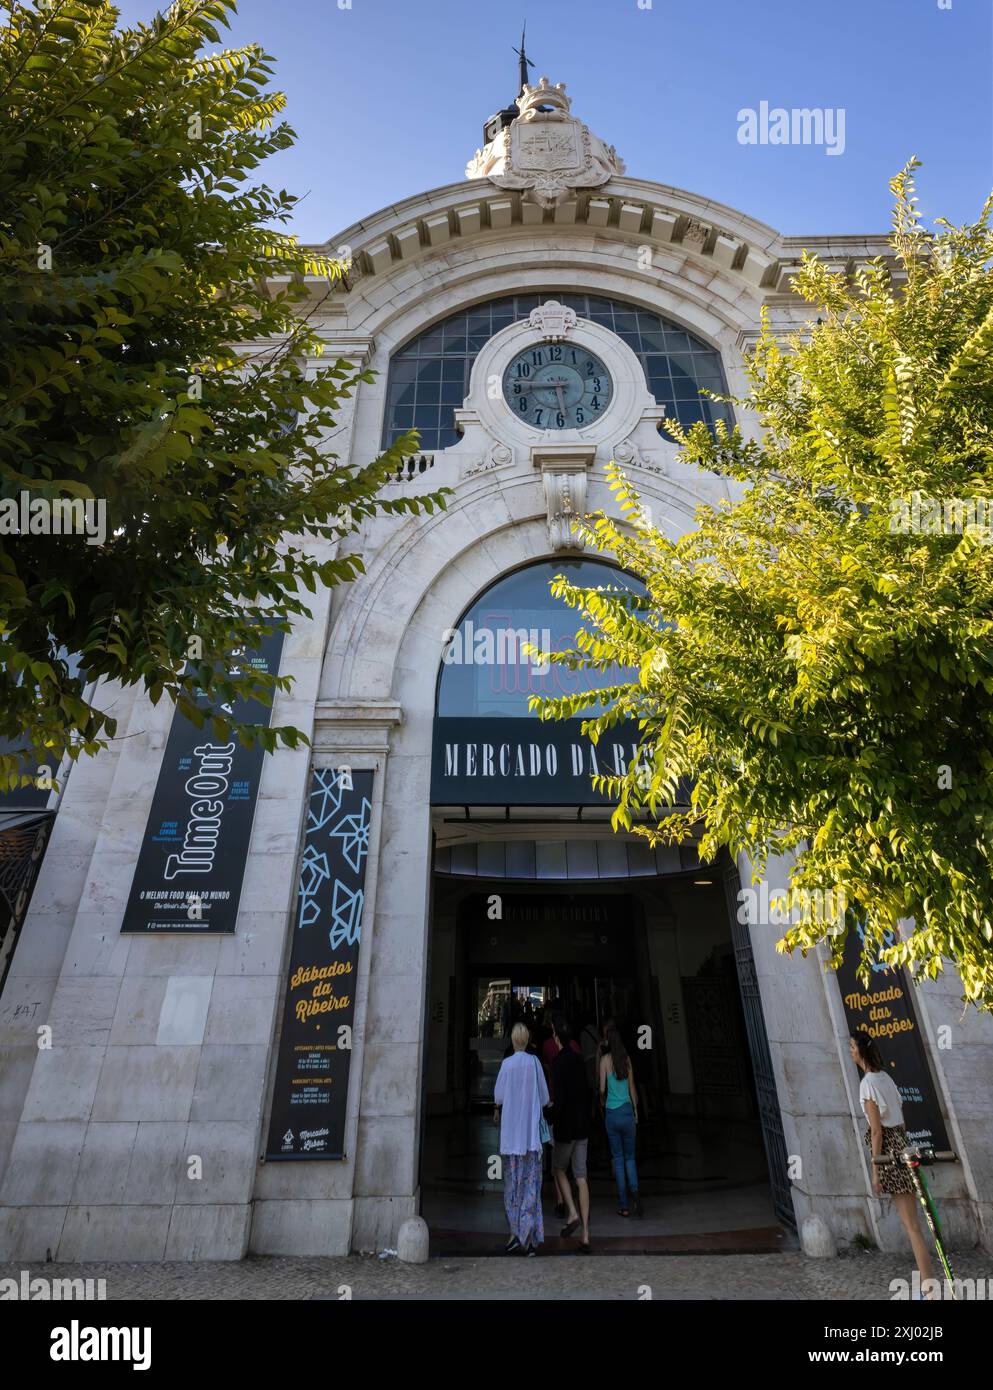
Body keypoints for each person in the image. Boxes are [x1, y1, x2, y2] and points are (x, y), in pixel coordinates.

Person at [849, 1031, 935, 1293]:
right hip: (902, 1142)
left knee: (912, 1227)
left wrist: (876, 1170)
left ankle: (930, 1292)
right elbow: (901, 1117)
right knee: (914, 1226)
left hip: (890, 1151)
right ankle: (927, 1289)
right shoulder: (886, 1077)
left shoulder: (867, 1085)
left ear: (861, 1052)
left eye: (852, 1047)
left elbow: (876, 1131)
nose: (850, 1051)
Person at [494, 1021, 549, 1255]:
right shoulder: (535, 1063)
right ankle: (529, 1239)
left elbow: (498, 1096)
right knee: (531, 1188)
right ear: (526, 1040)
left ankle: (516, 1232)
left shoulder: (506, 1065)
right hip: (531, 1139)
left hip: (511, 1139)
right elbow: (545, 1097)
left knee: (512, 1187)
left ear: (513, 1040)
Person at [550, 1017, 592, 1253]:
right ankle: (586, 1233)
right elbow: (586, 1091)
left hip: (567, 1128)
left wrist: (552, 1118)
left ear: (557, 1037)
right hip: (583, 1126)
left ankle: (573, 1212)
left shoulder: (558, 1062)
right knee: (581, 1177)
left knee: (558, 1168)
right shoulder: (578, 1059)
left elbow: (560, 1099)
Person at [599, 1020, 642, 1218]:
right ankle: (636, 1196)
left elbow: (601, 1089)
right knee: (630, 1158)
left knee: (618, 1160)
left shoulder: (605, 1061)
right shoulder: (626, 1059)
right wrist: (635, 1110)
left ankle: (623, 1205)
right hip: (626, 1111)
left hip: (612, 1113)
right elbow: (632, 1086)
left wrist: (602, 1102)